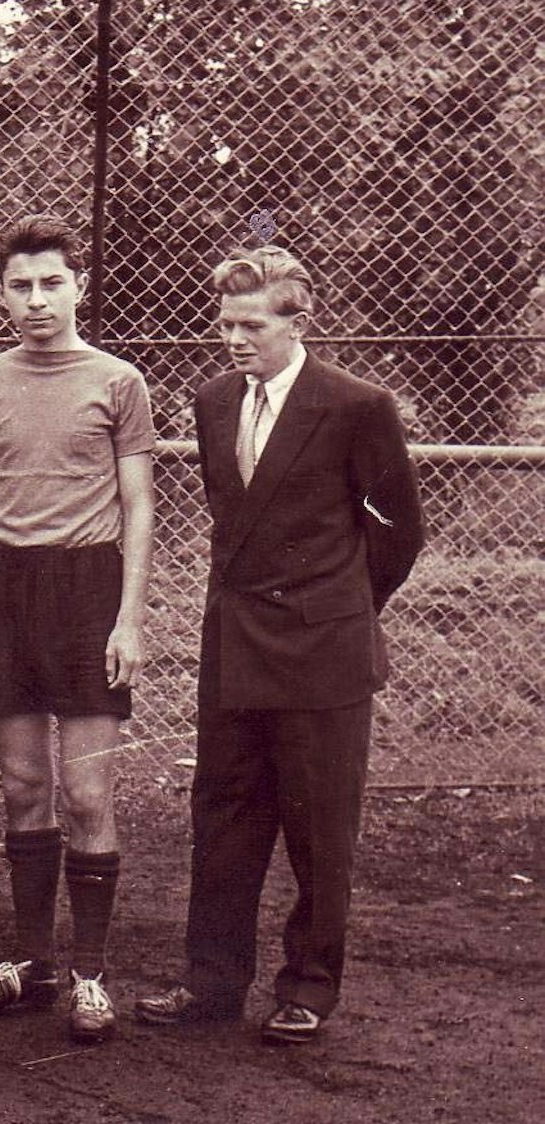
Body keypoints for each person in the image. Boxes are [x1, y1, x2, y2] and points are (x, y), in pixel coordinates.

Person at [135, 246, 423, 1044]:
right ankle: (211, 981)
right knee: (222, 818)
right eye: (224, 324)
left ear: (300, 321)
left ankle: (308, 987)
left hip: (322, 653)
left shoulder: (356, 405)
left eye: (252, 325)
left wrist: (336, 608)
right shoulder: (212, 400)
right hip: (234, 647)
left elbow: (398, 531)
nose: (234, 339)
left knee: (318, 826)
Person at [0, 214, 155, 1044]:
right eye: (19, 286)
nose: (35, 300)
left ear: (78, 286)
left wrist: (129, 616)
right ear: (1, 292)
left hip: (87, 588)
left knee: (86, 791)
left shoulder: (118, 381)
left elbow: (138, 504)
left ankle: (91, 974)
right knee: (24, 787)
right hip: (5, 590)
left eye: (50, 283)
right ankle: (33, 965)